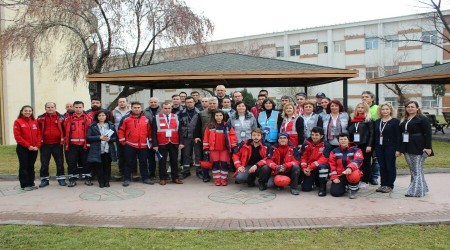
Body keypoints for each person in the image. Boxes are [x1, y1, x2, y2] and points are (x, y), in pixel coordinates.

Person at [399, 101, 432, 197]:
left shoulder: (422, 119)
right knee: (414, 170)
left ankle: (416, 191)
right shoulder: (405, 119)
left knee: (416, 169)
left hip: (419, 146)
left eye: (412, 107)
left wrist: (428, 147)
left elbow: (428, 134)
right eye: (408, 107)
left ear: (417, 108)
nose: (410, 108)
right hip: (407, 145)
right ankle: (422, 188)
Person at [118, 101, 153, 187]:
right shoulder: (126, 119)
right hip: (130, 144)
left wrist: (150, 140)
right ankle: (126, 179)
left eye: (138, 108)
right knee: (128, 162)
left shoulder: (146, 119)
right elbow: (121, 130)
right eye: (135, 107)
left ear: (141, 108)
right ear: (131, 108)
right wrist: (123, 141)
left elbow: (149, 131)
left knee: (144, 162)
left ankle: (145, 178)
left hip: (143, 145)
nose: (137, 109)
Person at [203, 109, 237, 186]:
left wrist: (234, 146)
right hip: (213, 149)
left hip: (224, 149)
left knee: (224, 164)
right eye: (217, 115)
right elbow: (206, 138)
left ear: (223, 116)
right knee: (215, 164)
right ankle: (217, 179)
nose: (219, 117)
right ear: (214, 116)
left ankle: (224, 179)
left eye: (220, 115)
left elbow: (233, 136)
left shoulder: (227, 126)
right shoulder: (210, 126)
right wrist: (206, 148)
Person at [152, 102, 183, 185]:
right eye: (165, 108)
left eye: (169, 108)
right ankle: (162, 178)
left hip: (174, 142)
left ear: (171, 108)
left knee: (174, 161)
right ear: (162, 109)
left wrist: (181, 142)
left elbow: (180, 130)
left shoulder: (176, 117)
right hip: (161, 142)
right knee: (162, 161)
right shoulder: (157, 117)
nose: (167, 110)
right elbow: (154, 132)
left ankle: (175, 177)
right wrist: (155, 144)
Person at [37, 102, 66, 187]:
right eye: (48, 107)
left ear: (55, 108)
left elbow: (65, 129)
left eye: (52, 107)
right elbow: (37, 130)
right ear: (45, 108)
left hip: (57, 144)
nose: (50, 108)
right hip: (45, 144)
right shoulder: (40, 118)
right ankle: (44, 180)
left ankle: (61, 179)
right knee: (44, 163)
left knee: (60, 162)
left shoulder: (61, 118)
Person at [64, 101, 93, 187]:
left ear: (83, 108)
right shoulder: (68, 119)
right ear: (73, 108)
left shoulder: (88, 119)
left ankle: (87, 178)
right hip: (72, 145)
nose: (78, 109)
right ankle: (72, 179)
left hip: (85, 144)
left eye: (80, 107)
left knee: (86, 162)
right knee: (72, 162)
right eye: (76, 107)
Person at [374, 103, 401, 193]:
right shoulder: (378, 121)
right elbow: (376, 135)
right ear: (380, 111)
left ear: (390, 110)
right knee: (382, 166)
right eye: (383, 109)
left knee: (390, 166)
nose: (385, 111)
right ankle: (383, 184)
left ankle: (390, 185)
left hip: (390, 147)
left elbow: (398, 136)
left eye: (387, 109)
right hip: (379, 147)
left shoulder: (395, 121)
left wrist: (398, 149)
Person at [13, 105, 41, 191]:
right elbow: (18, 137)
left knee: (31, 166)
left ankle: (31, 183)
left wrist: (37, 146)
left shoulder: (35, 121)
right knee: (24, 166)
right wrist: (28, 146)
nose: (28, 112)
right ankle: (24, 185)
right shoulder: (18, 122)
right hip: (23, 148)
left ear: (32, 112)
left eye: (29, 111)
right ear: (22, 111)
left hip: (34, 148)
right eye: (25, 111)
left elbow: (38, 135)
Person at [87, 110, 118, 188]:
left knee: (107, 166)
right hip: (97, 150)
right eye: (99, 115)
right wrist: (99, 137)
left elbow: (115, 137)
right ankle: (101, 182)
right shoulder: (92, 126)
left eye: (103, 115)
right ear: (97, 117)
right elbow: (88, 137)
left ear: (106, 116)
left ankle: (107, 181)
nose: (101, 117)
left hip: (108, 150)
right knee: (99, 167)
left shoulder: (111, 125)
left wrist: (109, 139)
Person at [329, 133, 363, 199]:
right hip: (340, 175)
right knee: (335, 193)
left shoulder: (356, 150)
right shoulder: (334, 151)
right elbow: (332, 165)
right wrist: (334, 177)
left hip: (352, 173)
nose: (343, 141)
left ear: (348, 140)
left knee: (354, 174)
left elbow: (358, 160)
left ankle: (353, 189)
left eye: (345, 139)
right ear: (338, 141)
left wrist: (350, 167)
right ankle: (346, 186)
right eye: (341, 139)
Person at [348, 102, 374, 188]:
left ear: (366, 109)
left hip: (365, 144)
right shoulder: (353, 119)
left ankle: (365, 180)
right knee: (355, 162)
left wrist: (369, 145)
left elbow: (371, 133)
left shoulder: (368, 120)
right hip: (354, 145)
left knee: (365, 162)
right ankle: (356, 178)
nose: (360, 109)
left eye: (362, 108)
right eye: (358, 107)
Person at [300, 127, 331, 196]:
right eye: (312, 135)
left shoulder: (326, 145)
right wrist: (304, 168)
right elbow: (303, 158)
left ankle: (322, 188)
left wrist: (311, 166)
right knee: (306, 188)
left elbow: (325, 158)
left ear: (321, 136)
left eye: (316, 135)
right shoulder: (306, 144)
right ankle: (313, 181)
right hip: (309, 168)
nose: (314, 137)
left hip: (319, 166)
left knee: (323, 166)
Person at [195, 97, 219, 182]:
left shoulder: (221, 113)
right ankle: (205, 175)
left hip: (218, 139)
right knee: (206, 157)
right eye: (210, 103)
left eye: (214, 103)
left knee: (217, 158)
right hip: (205, 139)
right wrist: (197, 136)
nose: (212, 105)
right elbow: (198, 126)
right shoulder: (201, 113)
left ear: (217, 104)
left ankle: (218, 175)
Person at [178, 96, 202, 179]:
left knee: (198, 154)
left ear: (194, 102)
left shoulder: (200, 112)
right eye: (187, 102)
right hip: (186, 137)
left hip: (196, 137)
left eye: (191, 102)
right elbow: (179, 126)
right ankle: (186, 171)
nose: (189, 103)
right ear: (185, 103)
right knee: (186, 155)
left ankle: (199, 171)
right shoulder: (180, 113)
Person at [361, 90, 380, 185]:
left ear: (372, 99)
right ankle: (365, 176)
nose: (364, 98)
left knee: (375, 159)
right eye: (363, 97)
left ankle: (374, 177)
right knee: (366, 160)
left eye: (366, 97)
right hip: (365, 139)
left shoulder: (377, 108)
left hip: (375, 137)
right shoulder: (361, 109)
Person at [111, 97, 130, 178]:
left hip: (130, 136)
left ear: (127, 102)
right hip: (119, 136)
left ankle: (132, 171)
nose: (122, 103)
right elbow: (112, 123)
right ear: (118, 103)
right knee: (120, 154)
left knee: (130, 154)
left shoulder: (131, 111)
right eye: (120, 102)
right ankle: (121, 171)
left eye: (123, 101)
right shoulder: (113, 112)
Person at [144, 97, 161, 180]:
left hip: (161, 136)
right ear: (149, 103)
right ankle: (152, 173)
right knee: (150, 157)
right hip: (149, 136)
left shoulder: (162, 110)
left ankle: (162, 172)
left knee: (162, 156)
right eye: (151, 102)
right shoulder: (144, 112)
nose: (153, 103)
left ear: (158, 102)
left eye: (155, 102)